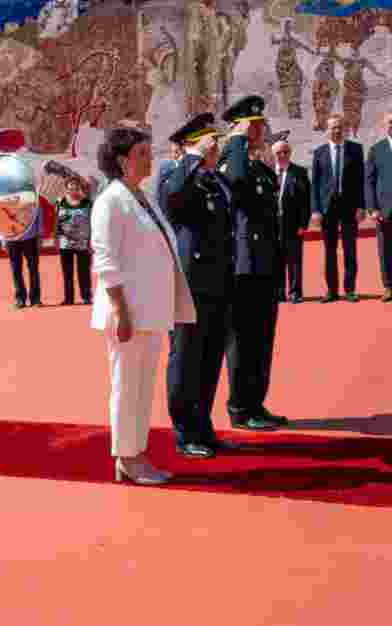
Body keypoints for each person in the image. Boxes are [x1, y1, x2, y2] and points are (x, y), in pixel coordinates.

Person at [90, 126, 196, 485]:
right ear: (122, 160)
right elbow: (105, 260)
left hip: (150, 312)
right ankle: (127, 457)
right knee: (126, 386)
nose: (150, 159)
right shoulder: (111, 201)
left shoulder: (141, 196)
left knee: (141, 387)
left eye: (149, 152)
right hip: (128, 314)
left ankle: (135, 454)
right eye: (141, 154)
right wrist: (120, 310)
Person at [160, 113, 236, 460]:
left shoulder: (214, 180)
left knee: (209, 359)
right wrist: (190, 156)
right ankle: (185, 432)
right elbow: (172, 197)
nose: (215, 146)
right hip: (189, 285)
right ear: (193, 143)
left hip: (218, 282)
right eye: (210, 140)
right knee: (186, 359)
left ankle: (203, 426)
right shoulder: (175, 176)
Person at [218, 95, 287, 431]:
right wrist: (236, 140)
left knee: (262, 340)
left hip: (266, 265)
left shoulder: (259, 165)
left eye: (259, 125)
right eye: (253, 125)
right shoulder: (233, 162)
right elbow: (237, 182)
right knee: (243, 341)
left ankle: (256, 403)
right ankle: (240, 408)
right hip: (243, 267)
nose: (259, 129)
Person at [310, 113, 366, 303]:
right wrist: (315, 210)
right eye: (333, 127)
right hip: (327, 209)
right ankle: (332, 291)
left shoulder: (356, 150)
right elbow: (315, 184)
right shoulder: (319, 152)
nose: (336, 130)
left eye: (339, 127)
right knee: (330, 251)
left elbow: (361, 181)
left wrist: (361, 206)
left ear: (345, 129)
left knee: (350, 249)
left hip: (350, 208)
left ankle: (350, 289)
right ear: (327, 130)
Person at [273, 139, 311, 303]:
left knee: (294, 260)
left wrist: (303, 224)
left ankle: (296, 292)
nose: (282, 155)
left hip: (293, 224)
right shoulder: (267, 172)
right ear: (273, 155)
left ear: (290, 153)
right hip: (273, 225)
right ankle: (279, 292)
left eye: (285, 152)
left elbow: (305, 201)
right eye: (278, 153)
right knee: (277, 260)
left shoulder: (300, 172)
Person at [365, 110, 392, 302]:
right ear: (385, 125)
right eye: (390, 122)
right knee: (386, 250)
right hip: (385, 209)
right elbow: (369, 181)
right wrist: (372, 208)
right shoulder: (376, 150)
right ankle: (389, 286)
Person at [55, 176, 93, 305]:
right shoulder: (60, 203)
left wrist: (91, 241)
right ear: (66, 189)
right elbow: (56, 222)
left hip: (83, 243)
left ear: (80, 188)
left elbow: (92, 222)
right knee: (67, 272)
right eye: (70, 188)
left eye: (76, 188)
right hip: (65, 243)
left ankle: (86, 296)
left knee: (84, 271)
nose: (73, 191)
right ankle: (69, 298)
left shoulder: (88, 203)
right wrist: (55, 239)